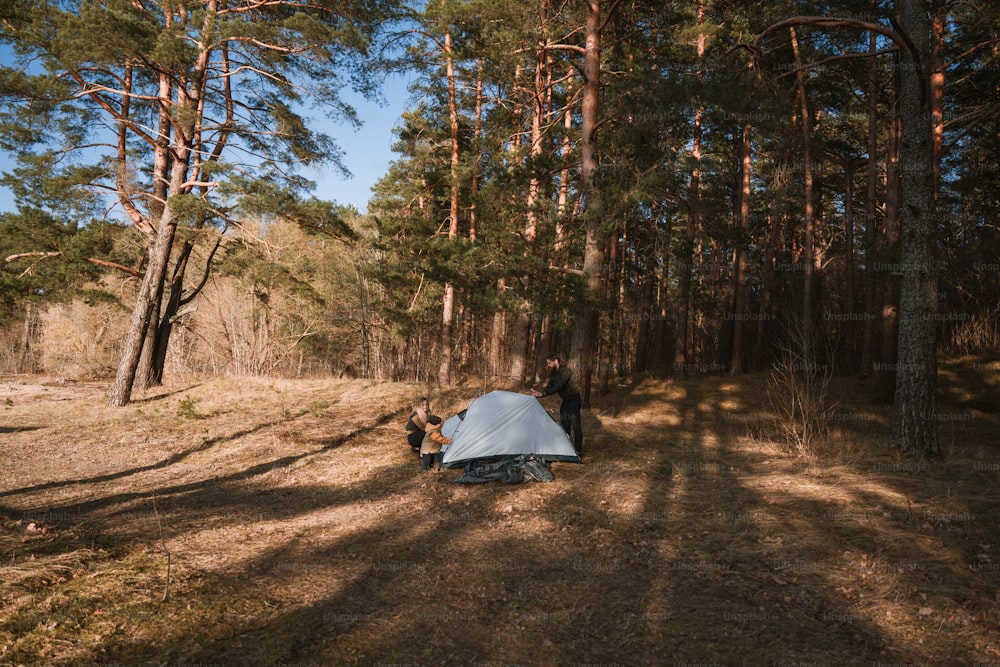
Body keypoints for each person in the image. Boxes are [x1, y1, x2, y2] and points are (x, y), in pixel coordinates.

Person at [532, 354, 583, 457]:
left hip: (574, 400)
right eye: (547, 363)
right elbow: (550, 386)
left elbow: (559, 385)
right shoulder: (553, 374)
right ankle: (567, 449)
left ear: (556, 361)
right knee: (564, 425)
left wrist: (544, 394)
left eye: (549, 363)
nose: (548, 365)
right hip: (565, 401)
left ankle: (578, 451)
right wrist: (540, 393)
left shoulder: (566, 371)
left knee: (575, 425)